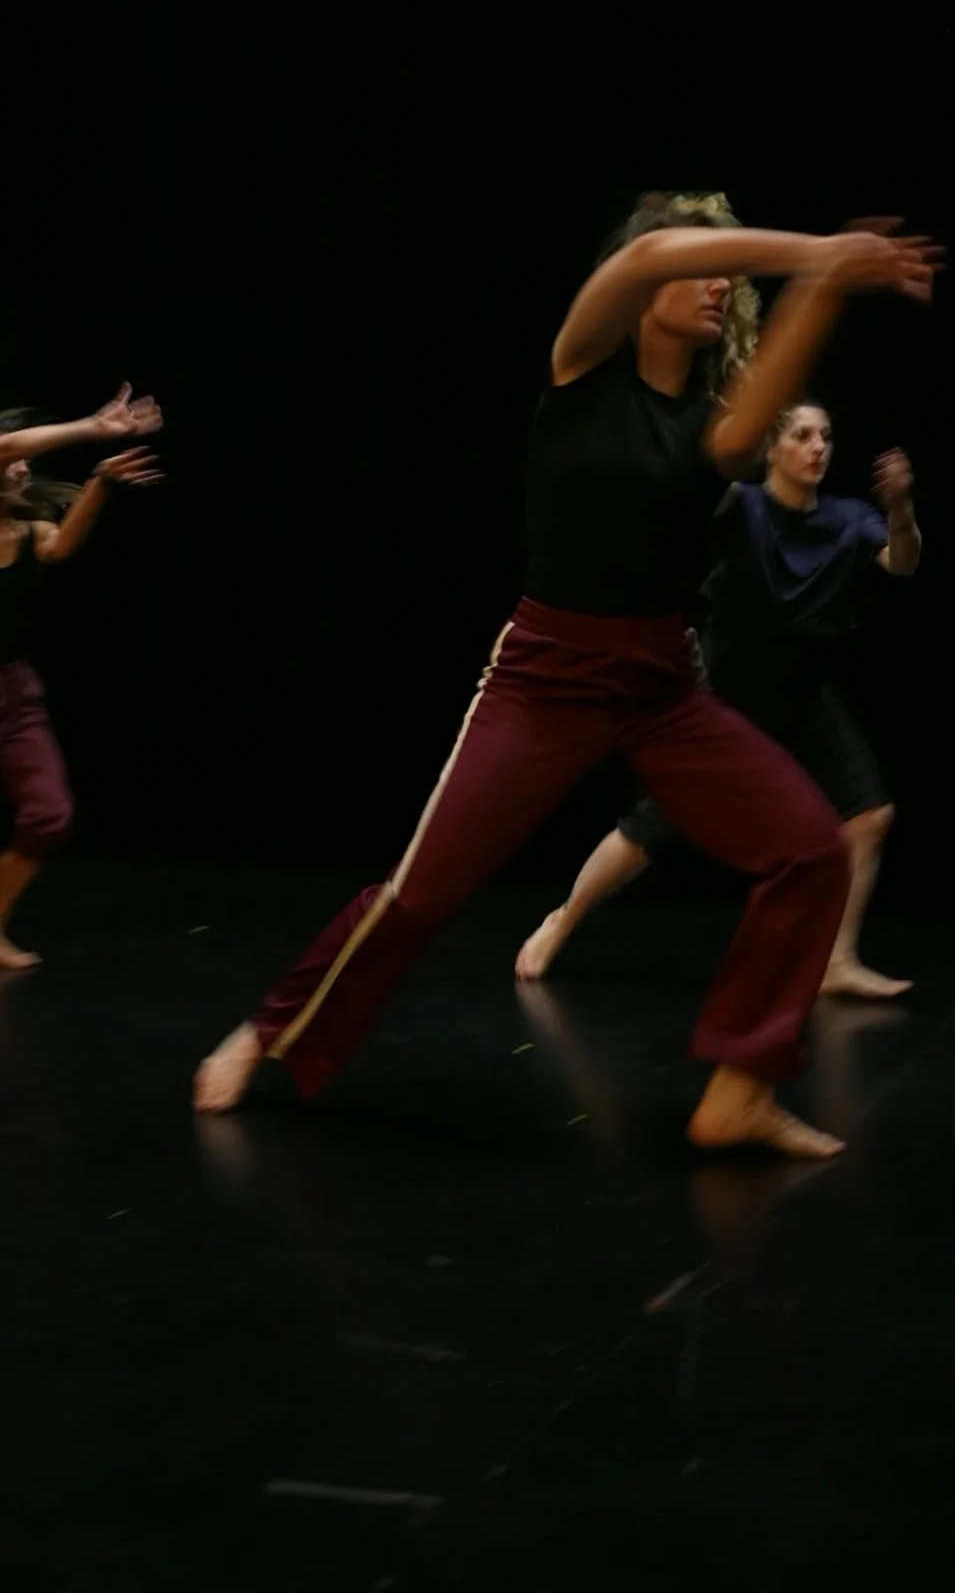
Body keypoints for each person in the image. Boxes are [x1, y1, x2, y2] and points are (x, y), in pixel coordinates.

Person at [194, 194, 938, 1158]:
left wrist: (829, 280)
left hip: (662, 684)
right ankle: (266, 1034)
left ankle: (739, 1092)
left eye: (727, 273)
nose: (716, 280)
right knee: (421, 895)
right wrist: (820, 249)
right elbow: (652, 253)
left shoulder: (716, 418)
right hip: (546, 674)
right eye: (700, 266)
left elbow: (755, 388)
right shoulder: (582, 365)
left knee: (811, 852)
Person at [515, 403, 922, 1000]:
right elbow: (673, 516)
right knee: (652, 828)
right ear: (773, 449)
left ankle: (836, 960)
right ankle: (562, 920)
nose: (818, 447)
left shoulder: (847, 519)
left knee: (869, 815)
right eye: (803, 435)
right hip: (726, 695)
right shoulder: (743, 505)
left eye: (827, 436)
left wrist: (900, 508)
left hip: (804, 694)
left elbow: (903, 561)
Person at [0, 386, 163, 970]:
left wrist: (100, 480)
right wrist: (92, 427)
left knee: (48, 814)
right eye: (12, 460)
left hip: (12, 694)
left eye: (25, 463)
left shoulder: (28, 533)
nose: (21, 467)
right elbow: (8, 443)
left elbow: (64, 546)